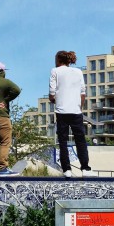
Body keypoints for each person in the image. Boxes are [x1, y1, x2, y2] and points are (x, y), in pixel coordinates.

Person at [49, 50, 90, 178]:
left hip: (62, 112)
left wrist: (58, 100)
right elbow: (83, 93)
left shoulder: (55, 71)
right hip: (76, 111)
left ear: (58, 60)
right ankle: (85, 168)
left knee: (63, 141)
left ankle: (67, 169)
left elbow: (51, 95)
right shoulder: (78, 72)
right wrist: (79, 107)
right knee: (81, 141)